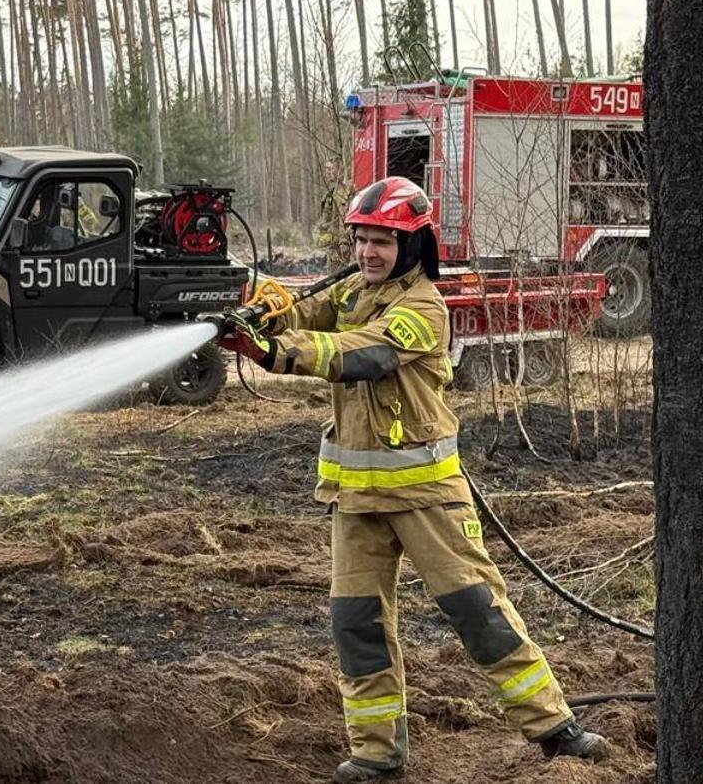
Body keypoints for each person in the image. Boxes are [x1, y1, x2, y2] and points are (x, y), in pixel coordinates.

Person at [216, 177, 607, 782]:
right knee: (357, 626)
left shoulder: (423, 308)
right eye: (361, 239)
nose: (368, 251)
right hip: (357, 499)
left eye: (383, 241)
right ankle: (376, 751)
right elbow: (303, 312)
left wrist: (272, 352)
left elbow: (361, 354)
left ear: (413, 245)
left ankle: (555, 728)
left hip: (425, 496)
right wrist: (260, 309)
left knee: (477, 611)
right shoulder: (352, 289)